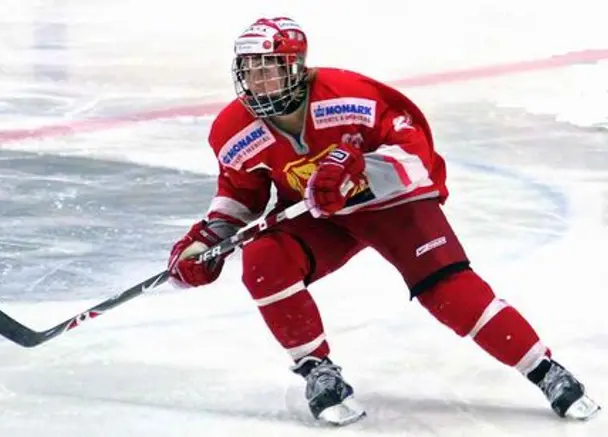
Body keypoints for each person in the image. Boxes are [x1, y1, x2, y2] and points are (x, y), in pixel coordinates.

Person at [167, 16, 600, 425]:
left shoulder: (351, 95)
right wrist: (207, 239)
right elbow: (241, 194)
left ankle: (545, 370)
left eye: (270, 68)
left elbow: (417, 156)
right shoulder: (233, 129)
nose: (259, 81)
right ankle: (317, 368)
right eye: (250, 69)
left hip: (393, 203)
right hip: (321, 215)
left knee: (446, 290)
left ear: (296, 67)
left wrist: (356, 167)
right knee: (264, 257)